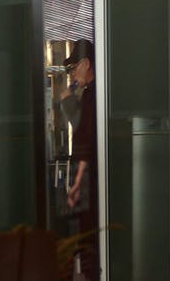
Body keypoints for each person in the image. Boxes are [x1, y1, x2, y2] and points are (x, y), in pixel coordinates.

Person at [64, 39, 99, 280]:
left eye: (73, 67)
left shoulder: (90, 96)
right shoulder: (95, 93)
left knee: (87, 236)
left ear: (86, 63)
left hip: (90, 177)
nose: (73, 73)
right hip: (94, 175)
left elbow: (81, 134)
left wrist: (76, 182)